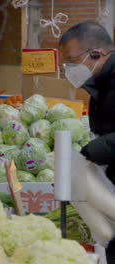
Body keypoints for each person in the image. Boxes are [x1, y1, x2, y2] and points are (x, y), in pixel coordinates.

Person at [59, 20, 114, 262]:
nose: (68, 68)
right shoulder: (101, 84)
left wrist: (98, 148)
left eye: (72, 60)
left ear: (96, 53)